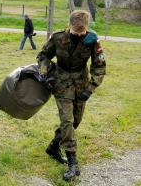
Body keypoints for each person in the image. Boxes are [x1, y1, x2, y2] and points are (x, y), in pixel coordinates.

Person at [36, 10, 106, 181]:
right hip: (61, 83)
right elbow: (43, 55)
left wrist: (90, 87)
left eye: (82, 32)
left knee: (75, 121)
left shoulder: (92, 40)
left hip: (81, 84)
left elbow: (99, 66)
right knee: (66, 121)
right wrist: (44, 70)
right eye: (76, 32)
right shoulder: (58, 37)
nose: (79, 35)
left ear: (86, 28)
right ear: (70, 27)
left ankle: (53, 146)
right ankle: (72, 163)